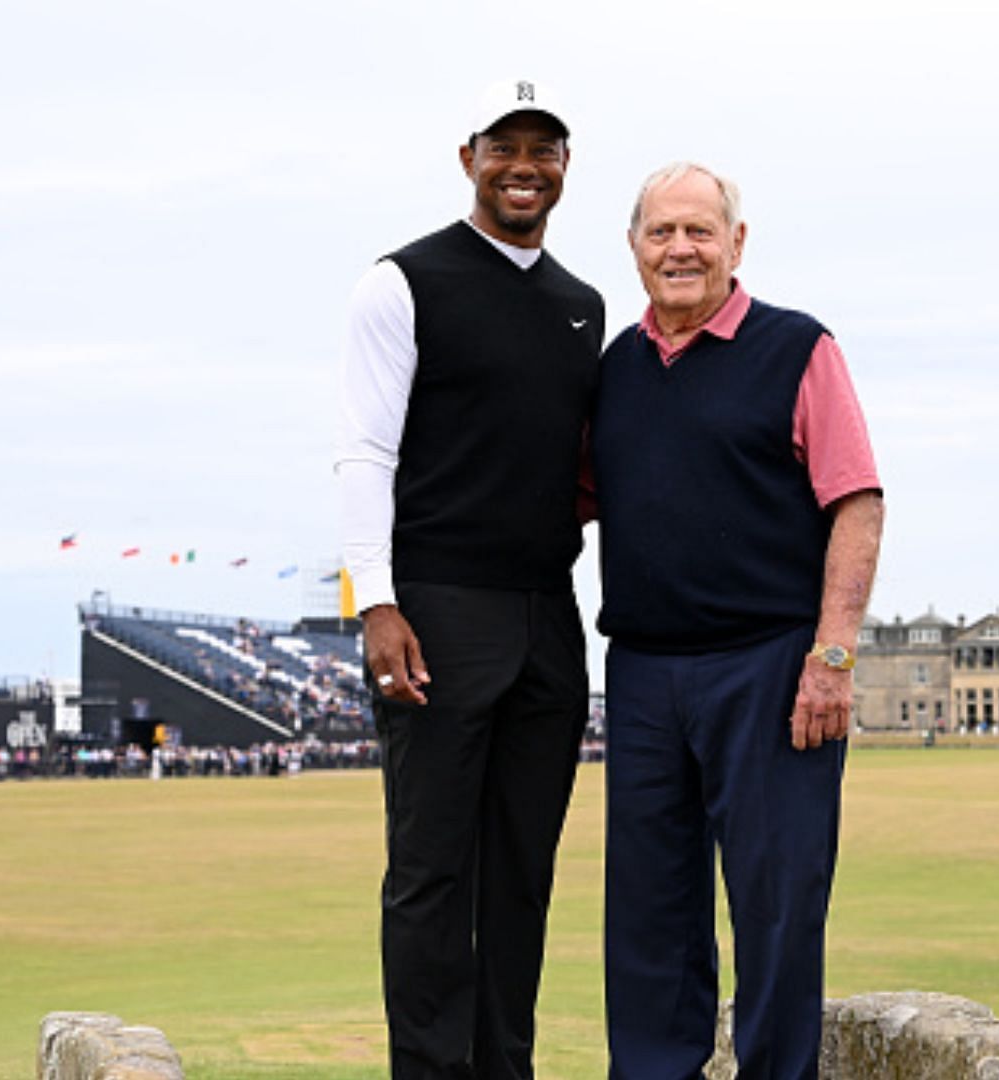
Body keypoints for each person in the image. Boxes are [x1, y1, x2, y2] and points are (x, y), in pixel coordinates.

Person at [335, 79, 603, 1080]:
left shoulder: (583, 305)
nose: (524, 166)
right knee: (432, 874)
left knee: (522, 875)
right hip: (436, 608)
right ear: (469, 158)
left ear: (566, 165)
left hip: (549, 615)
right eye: (506, 146)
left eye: (545, 148)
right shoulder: (401, 282)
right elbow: (364, 450)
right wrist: (378, 601)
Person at [593, 162, 885, 1079]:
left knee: (776, 906)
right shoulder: (615, 369)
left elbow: (858, 502)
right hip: (642, 674)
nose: (681, 249)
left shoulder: (798, 348)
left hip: (770, 668)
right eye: (660, 233)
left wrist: (831, 656)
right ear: (634, 249)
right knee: (650, 915)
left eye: (700, 232)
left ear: (737, 243)